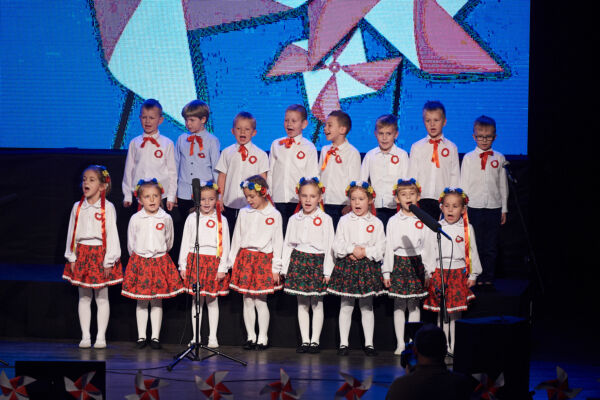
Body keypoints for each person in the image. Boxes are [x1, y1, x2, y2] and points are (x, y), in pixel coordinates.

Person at [63, 165, 122, 349]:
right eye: (84, 180)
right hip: (82, 253)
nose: (86, 183)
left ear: (102, 186)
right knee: (84, 297)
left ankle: (101, 337)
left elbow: (112, 234)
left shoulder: (108, 207)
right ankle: (86, 336)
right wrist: (72, 256)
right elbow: (71, 233)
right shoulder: (78, 207)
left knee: (102, 297)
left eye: (91, 180)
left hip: (100, 254)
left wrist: (109, 260)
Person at [121, 179, 184, 349]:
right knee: (141, 301)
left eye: (155, 196)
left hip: (159, 262)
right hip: (141, 262)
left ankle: (155, 337)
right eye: (147, 196)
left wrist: (159, 253)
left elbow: (169, 241)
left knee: (157, 300)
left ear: (160, 197)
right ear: (140, 199)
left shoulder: (165, 218)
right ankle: (142, 336)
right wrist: (138, 258)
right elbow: (131, 243)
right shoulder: (136, 218)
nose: (152, 200)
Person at [327, 181, 385, 357]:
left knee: (367, 306)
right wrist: (351, 250)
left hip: (367, 268)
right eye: (353, 199)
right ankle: (343, 343)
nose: (357, 203)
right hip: (348, 266)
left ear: (370, 200)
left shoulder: (376, 223)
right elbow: (337, 244)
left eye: (361, 199)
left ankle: (369, 343)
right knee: (346, 305)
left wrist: (365, 252)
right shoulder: (344, 221)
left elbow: (381, 247)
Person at [227, 175, 283, 350]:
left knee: (260, 300)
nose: (249, 200)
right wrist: (231, 262)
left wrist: (276, 268)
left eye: (252, 196)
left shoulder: (274, 214)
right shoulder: (244, 213)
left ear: (263, 193)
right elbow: (237, 238)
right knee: (247, 300)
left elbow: (278, 242)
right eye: (247, 197)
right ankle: (250, 336)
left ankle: (262, 337)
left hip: (263, 260)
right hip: (245, 258)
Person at [422, 188, 482, 353]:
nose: (450, 210)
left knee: (455, 313)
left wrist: (473, 274)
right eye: (447, 205)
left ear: (463, 209)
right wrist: (428, 272)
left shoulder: (467, 228)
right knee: (442, 313)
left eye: (455, 206)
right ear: (441, 207)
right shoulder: (435, 227)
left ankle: (454, 346)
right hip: (440, 272)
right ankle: (443, 345)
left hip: (458, 273)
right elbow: (429, 251)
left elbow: (472, 251)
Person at [281, 177, 334, 354]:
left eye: (312, 196)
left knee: (317, 303)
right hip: (299, 261)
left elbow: (329, 245)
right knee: (302, 303)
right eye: (304, 196)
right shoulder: (294, 219)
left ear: (319, 197)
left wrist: (327, 271)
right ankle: (305, 340)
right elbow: (288, 244)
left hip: (317, 262)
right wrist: (285, 268)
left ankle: (315, 341)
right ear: (299, 196)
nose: (308, 200)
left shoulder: (325, 219)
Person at [178, 180, 230, 348]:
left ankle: (213, 337)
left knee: (212, 301)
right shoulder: (192, 218)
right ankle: (196, 337)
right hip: (195, 260)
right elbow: (185, 242)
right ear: (197, 200)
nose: (207, 203)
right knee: (197, 300)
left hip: (213, 262)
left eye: (211, 199)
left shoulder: (221, 220)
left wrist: (222, 267)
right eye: (202, 199)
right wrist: (183, 265)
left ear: (216, 200)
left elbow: (225, 244)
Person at [460, 115, 508, 286]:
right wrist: (463, 206)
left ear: (494, 137)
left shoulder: (499, 158)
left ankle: (488, 277)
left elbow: (503, 185)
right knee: (476, 243)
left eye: (488, 137)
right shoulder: (469, 158)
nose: (484, 140)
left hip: (493, 207)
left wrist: (504, 209)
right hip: (474, 207)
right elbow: (463, 184)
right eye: (480, 136)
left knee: (490, 245)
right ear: (474, 137)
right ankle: (475, 276)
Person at [383, 179, 428, 355]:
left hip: (417, 263)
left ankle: (412, 342)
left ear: (418, 196)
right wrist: (387, 272)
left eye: (412, 194)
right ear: (397, 199)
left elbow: (428, 247)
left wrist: (428, 271)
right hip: (399, 263)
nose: (408, 198)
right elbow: (388, 247)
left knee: (414, 305)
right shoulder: (393, 221)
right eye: (403, 195)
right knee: (399, 304)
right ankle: (400, 343)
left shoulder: (423, 219)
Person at [268, 104, 319, 234]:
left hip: (298, 200)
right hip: (278, 198)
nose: (289, 124)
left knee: (296, 233)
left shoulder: (309, 147)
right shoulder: (276, 144)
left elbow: (312, 176)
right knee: (278, 232)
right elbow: (271, 172)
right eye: (286, 120)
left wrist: (307, 197)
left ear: (304, 124)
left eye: (294, 121)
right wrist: (269, 196)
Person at [385, 324, 473, 400]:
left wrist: (409, 379)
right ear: (445, 350)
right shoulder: (460, 385)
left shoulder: (399, 387)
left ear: (415, 351)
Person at [216, 111, 269, 232]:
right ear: (232, 131)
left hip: (251, 204)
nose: (242, 132)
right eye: (239, 128)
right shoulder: (227, 152)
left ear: (254, 132)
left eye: (247, 129)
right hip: (229, 204)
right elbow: (222, 176)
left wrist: (261, 201)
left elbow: (263, 180)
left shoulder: (260, 154)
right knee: (229, 232)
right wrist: (220, 198)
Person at [122, 99, 177, 211]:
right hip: (139, 195)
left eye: (151, 118)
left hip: (160, 195)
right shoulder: (134, 142)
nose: (147, 121)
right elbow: (128, 170)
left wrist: (171, 196)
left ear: (160, 120)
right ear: (140, 118)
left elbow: (172, 173)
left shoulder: (167, 143)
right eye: (144, 117)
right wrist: (127, 194)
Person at [408, 101, 460, 220]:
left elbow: (455, 176)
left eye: (436, 120)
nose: (432, 124)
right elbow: (412, 175)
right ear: (424, 122)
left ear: (444, 122)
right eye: (428, 121)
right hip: (421, 199)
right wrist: (412, 200)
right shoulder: (417, 147)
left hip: (444, 201)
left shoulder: (451, 147)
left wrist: (453, 200)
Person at [360, 114, 409, 228]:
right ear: (375, 134)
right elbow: (362, 182)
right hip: (375, 208)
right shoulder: (370, 155)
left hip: (396, 208)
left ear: (396, 134)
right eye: (381, 133)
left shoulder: (402, 155)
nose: (384, 138)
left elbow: (406, 182)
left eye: (388, 134)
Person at [174, 100, 221, 217]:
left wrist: (219, 195)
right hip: (183, 193)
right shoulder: (181, 139)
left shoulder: (212, 141)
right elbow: (175, 166)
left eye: (192, 120)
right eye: (186, 120)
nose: (188, 124)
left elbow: (216, 169)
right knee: (185, 223)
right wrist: (173, 193)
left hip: (204, 194)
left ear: (203, 120)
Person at [318, 110, 361, 227]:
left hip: (341, 205)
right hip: (324, 203)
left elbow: (355, 181)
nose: (325, 128)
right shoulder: (325, 150)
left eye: (329, 125)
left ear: (342, 129)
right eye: (325, 125)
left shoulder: (352, 153)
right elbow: (319, 175)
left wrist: (350, 204)